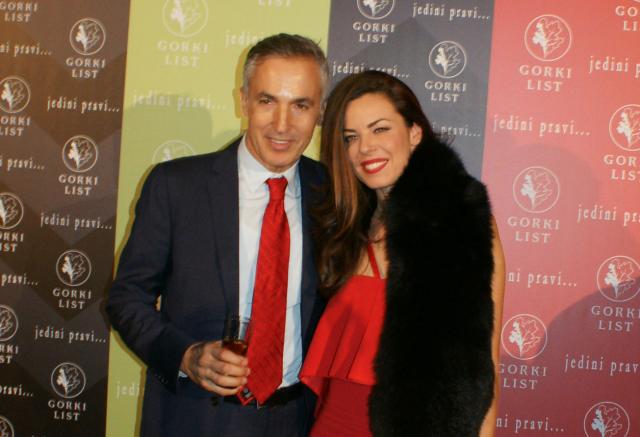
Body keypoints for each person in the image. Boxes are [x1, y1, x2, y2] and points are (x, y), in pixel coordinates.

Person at [107, 34, 328, 437]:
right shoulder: (176, 186)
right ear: (243, 100)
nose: (282, 124)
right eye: (267, 101)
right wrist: (185, 355)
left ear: (320, 111)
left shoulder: (334, 195)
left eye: (300, 105)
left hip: (296, 421)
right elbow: (126, 297)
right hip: (193, 418)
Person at [300, 70, 505, 436]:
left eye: (380, 129)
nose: (365, 147)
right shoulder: (346, 224)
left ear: (414, 133)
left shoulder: (458, 217)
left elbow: (483, 360)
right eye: (351, 137)